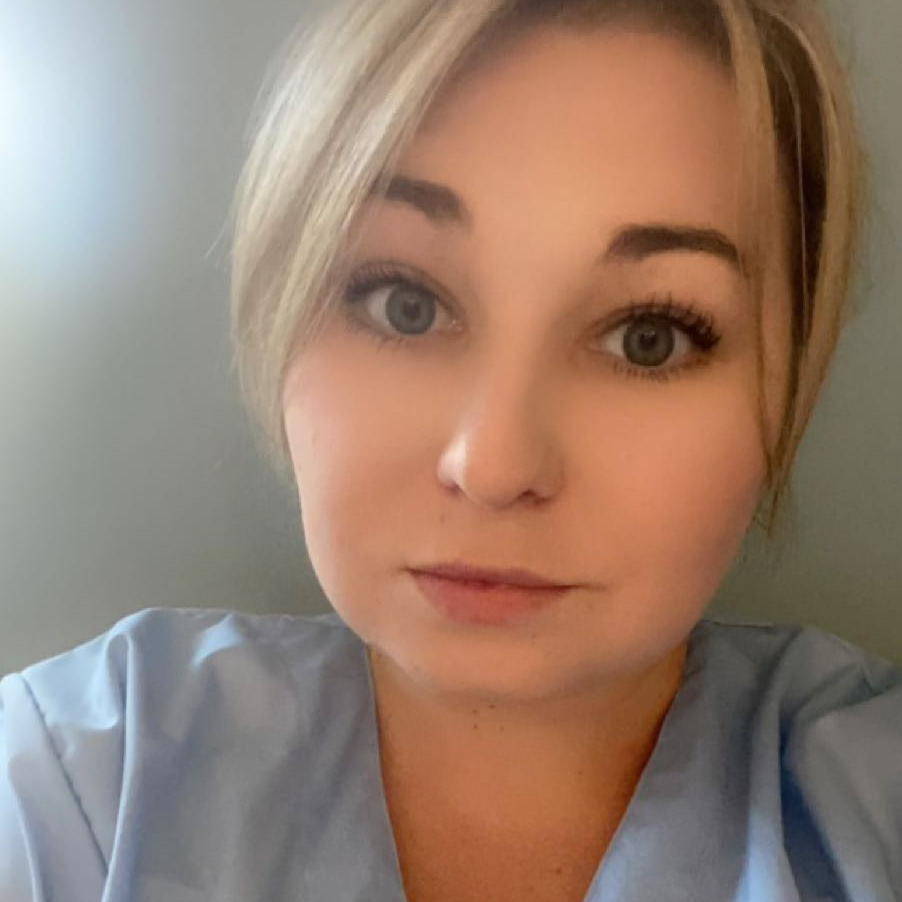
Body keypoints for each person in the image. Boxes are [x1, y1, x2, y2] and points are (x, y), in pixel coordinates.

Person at [1, 0, 897, 900]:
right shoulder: (77, 792)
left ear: (786, 388)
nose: (495, 467)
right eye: (405, 304)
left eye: (649, 337)